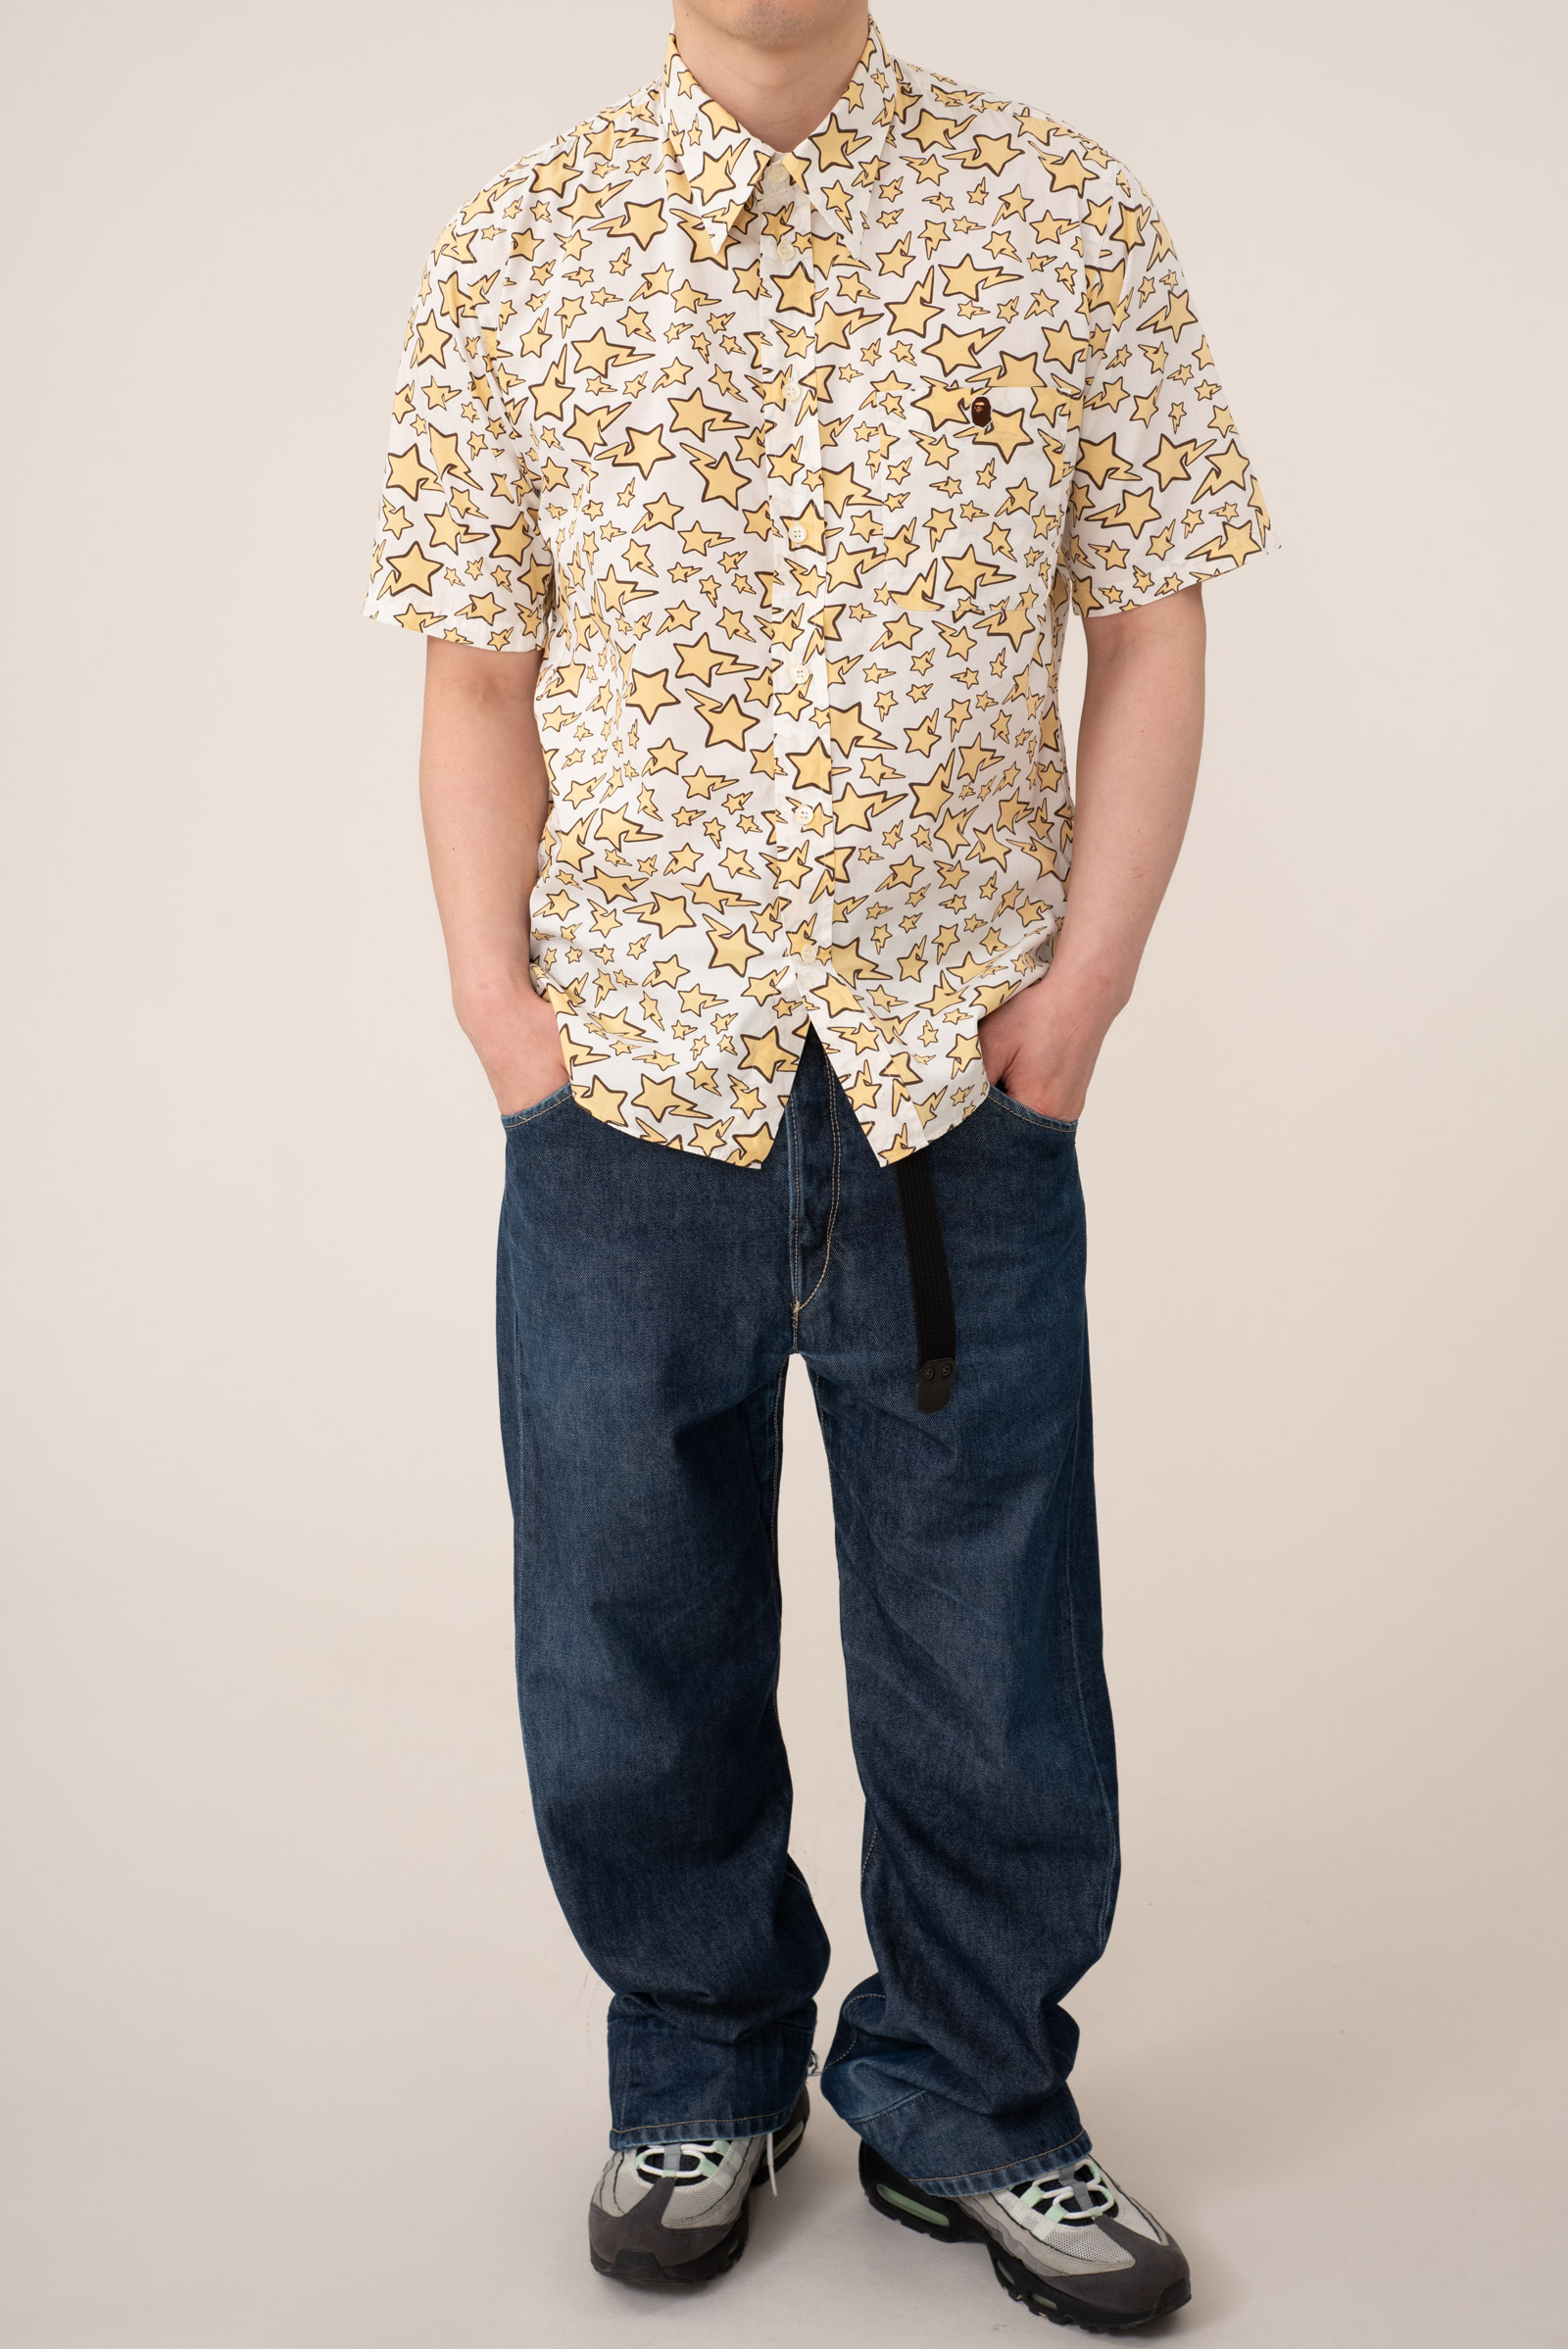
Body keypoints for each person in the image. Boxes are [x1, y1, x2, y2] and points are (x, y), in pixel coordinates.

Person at [367, 0, 1269, 2326]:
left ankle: (974, 2090)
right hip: (624, 1097)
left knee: (990, 1639)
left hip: (952, 1088)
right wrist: (502, 1017)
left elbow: (1149, 616)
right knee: (622, 1626)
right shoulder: (519, 246)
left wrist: (1078, 1002)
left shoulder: (1057, 216)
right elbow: (473, 672)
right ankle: (696, 2063)